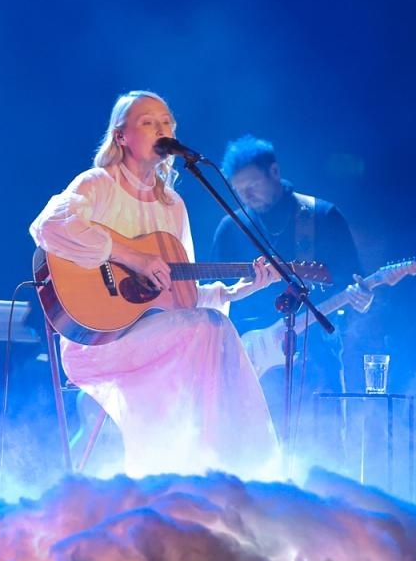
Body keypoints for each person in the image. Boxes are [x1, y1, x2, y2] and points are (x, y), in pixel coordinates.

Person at [29, 91, 279, 478]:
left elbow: (182, 297)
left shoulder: (172, 206)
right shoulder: (98, 184)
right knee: (206, 329)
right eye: (149, 122)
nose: (163, 129)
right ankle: (203, 469)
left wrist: (238, 291)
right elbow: (49, 227)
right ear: (121, 137)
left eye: (167, 123)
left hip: (162, 333)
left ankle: (230, 469)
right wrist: (131, 256)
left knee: (213, 326)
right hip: (96, 340)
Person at [209, 135, 366, 441]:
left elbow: (353, 280)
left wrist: (363, 297)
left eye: (252, 184)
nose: (246, 194)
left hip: (315, 356)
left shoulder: (322, 217)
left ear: (275, 172)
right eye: (239, 189)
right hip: (249, 360)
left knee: (324, 443)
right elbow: (213, 297)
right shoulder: (231, 228)